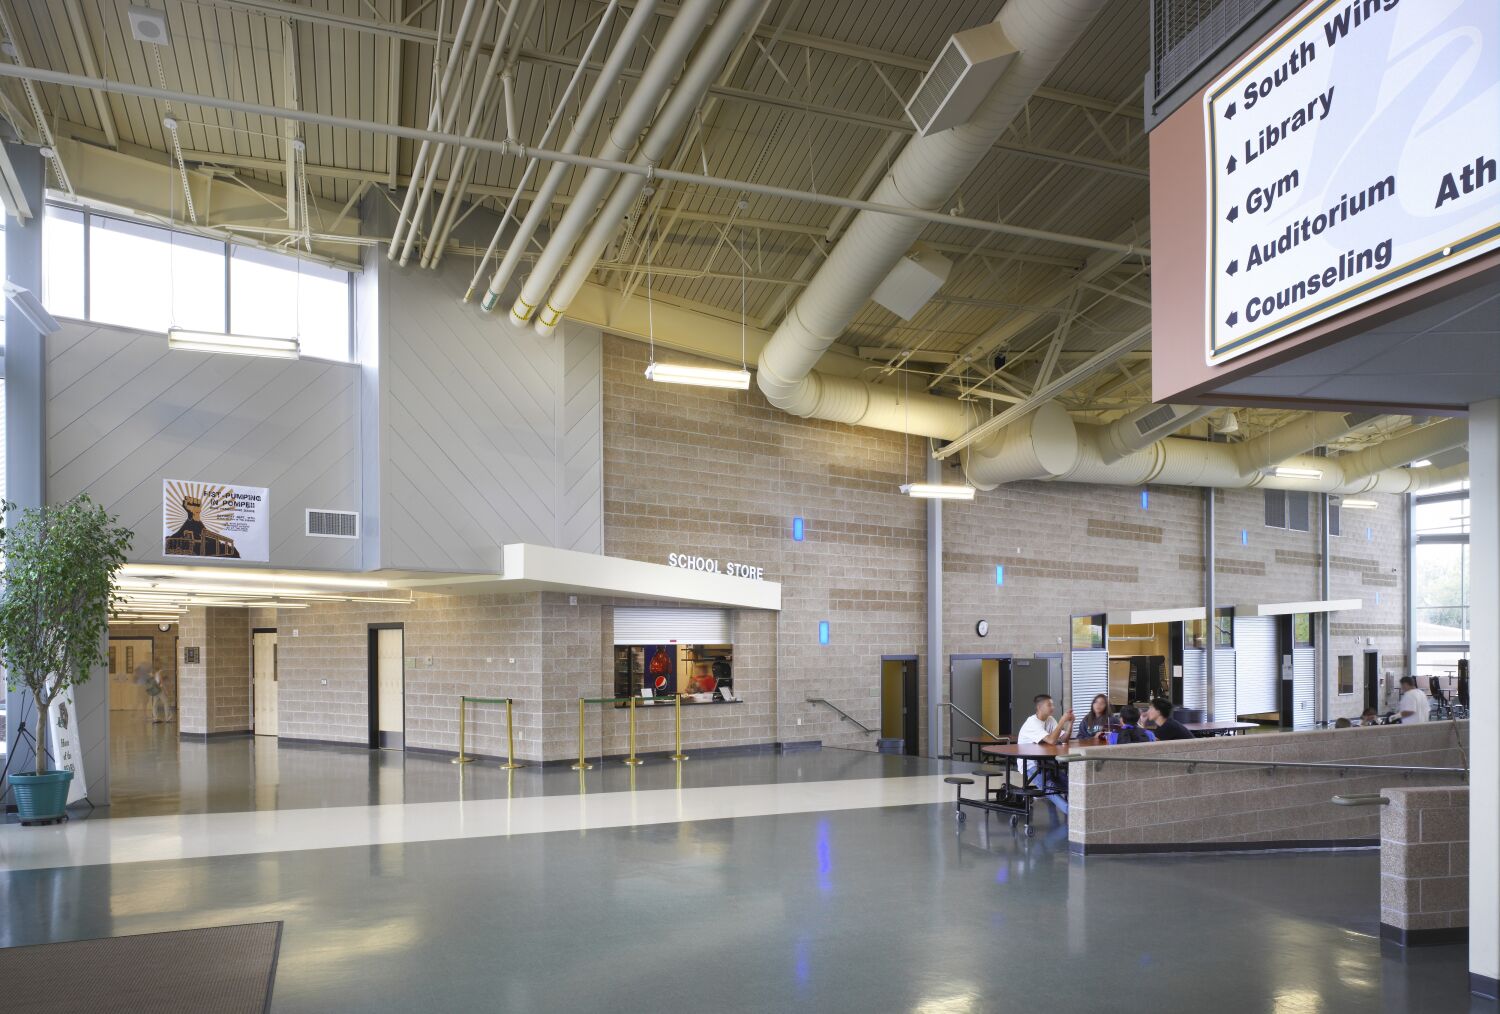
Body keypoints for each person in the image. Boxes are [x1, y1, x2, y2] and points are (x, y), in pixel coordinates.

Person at [1016, 694, 1073, 813]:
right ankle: (1070, 812)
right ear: (1039, 707)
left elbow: (1063, 739)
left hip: (1046, 761)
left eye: (1053, 704)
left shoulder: (1050, 720)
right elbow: (1052, 741)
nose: (1053, 707)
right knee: (1049, 786)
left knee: (1068, 783)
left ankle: (1081, 807)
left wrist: (1070, 724)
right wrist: (1062, 720)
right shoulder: (1032, 722)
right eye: (1049, 705)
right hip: (1030, 764)